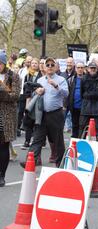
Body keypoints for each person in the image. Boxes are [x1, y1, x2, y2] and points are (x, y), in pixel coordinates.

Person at [21, 57, 68, 168]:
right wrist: (37, 92)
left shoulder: (61, 79)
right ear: (44, 67)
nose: (50, 67)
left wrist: (56, 86)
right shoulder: (40, 80)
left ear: (56, 67)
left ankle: (60, 163)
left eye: (52, 65)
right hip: (42, 114)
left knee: (58, 140)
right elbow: (33, 96)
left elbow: (66, 94)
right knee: (37, 138)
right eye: (48, 65)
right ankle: (30, 161)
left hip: (55, 113)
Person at [0, 51, 20, 186]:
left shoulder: (13, 76)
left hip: (6, 115)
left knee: (3, 145)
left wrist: (2, 93)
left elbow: (16, 95)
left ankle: (2, 175)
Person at [79, 62, 98, 138]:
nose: (93, 69)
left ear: (97, 69)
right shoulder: (84, 79)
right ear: (88, 69)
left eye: (94, 68)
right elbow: (81, 92)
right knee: (82, 127)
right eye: (91, 68)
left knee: (96, 128)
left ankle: (95, 144)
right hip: (86, 105)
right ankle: (81, 143)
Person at [67, 62, 85, 139]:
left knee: (83, 126)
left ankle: (81, 142)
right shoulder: (71, 80)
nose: (80, 69)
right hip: (74, 107)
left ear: (84, 69)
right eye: (78, 67)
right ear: (75, 69)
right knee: (75, 125)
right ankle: (74, 142)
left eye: (81, 67)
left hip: (84, 107)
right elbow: (67, 94)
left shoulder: (87, 79)